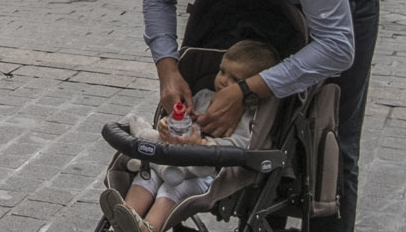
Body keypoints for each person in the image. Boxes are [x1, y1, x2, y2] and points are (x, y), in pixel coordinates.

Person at [143, 0, 379, 232]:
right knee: (269, 122)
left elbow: (336, 46)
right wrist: (168, 69)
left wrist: (246, 89)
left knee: (331, 137)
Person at [101, 40, 283, 232]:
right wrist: (168, 125)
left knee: (171, 189)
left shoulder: (249, 115)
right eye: (222, 72)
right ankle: (125, 218)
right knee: (147, 174)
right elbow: (181, 118)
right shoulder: (204, 96)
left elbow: (242, 145)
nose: (222, 80)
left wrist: (203, 143)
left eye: (234, 79)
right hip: (174, 160)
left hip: (206, 171)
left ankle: (147, 229)